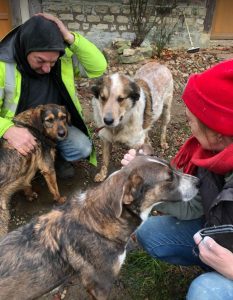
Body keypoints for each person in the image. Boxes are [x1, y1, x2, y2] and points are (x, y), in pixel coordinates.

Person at [121, 59, 233, 299]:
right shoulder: (211, 153)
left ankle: (218, 280)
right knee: (149, 233)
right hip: (221, 235)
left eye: (191, 121)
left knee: (206, 292)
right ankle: (211, 266)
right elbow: (195, 204)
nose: (187, 126)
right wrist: (149, 178)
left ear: (219, 133)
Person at [0, 13, 107, 179]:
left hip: (53, 124)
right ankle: (27, 166)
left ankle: (54, 159)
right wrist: (7, 130)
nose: (47, 69)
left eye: (52, 62)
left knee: (82, 147)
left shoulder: (63, 58)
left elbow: (98, 67)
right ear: (25, 48)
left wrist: (69, 37)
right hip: (19, 127)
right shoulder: (2, 64)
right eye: (40, 61)